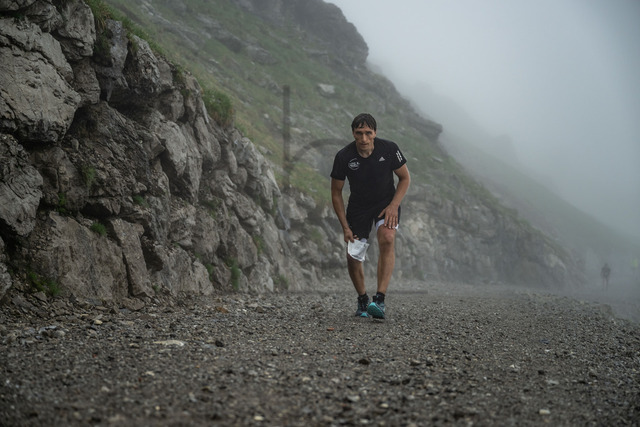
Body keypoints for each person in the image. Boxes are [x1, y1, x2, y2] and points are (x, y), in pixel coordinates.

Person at [330, 113, 411, 319]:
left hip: (386, 203)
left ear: (375, 133)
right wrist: (345, 227)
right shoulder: (344, 157)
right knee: (353, 255)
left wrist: (394, 205)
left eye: (368, 133)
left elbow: (404, 178)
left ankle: (380, 299)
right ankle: (363, 299)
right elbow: (336, 193)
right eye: (359, 133)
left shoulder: (389, 149)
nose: (364, 138)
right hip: (359, 208)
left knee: (388, 238)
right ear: (353, 133)